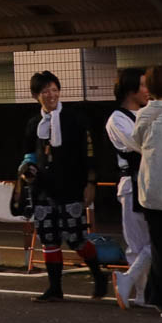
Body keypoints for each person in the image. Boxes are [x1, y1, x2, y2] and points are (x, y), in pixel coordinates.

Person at [24, 70, 108, 302]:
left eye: (54, 89)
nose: (51, 95)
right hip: (43, 189)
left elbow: (89, 153)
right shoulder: (34, 124)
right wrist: (26, 169)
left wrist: (91, 183)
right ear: (35, 95)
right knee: (48, 238)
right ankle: (55, 288)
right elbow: (29, 154)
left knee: (76, 238)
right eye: (45, 91)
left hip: (71, 187)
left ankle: (98, 275)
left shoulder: (75, 119)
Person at [130, 65, 162, 319]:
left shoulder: (143, 115)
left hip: (149, 190)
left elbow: (137, 142)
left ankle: (159, 298)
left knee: (160, 247)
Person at [107, 68, 151, 309]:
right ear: (130, 89)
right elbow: (139, 144)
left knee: (157, 239)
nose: (147, 90)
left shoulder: (149, 112)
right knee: (138, 243)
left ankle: (130, 282)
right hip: (132, 184)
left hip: (153, 183)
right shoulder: (117, 119)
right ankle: (142, 293)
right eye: (143, 85)